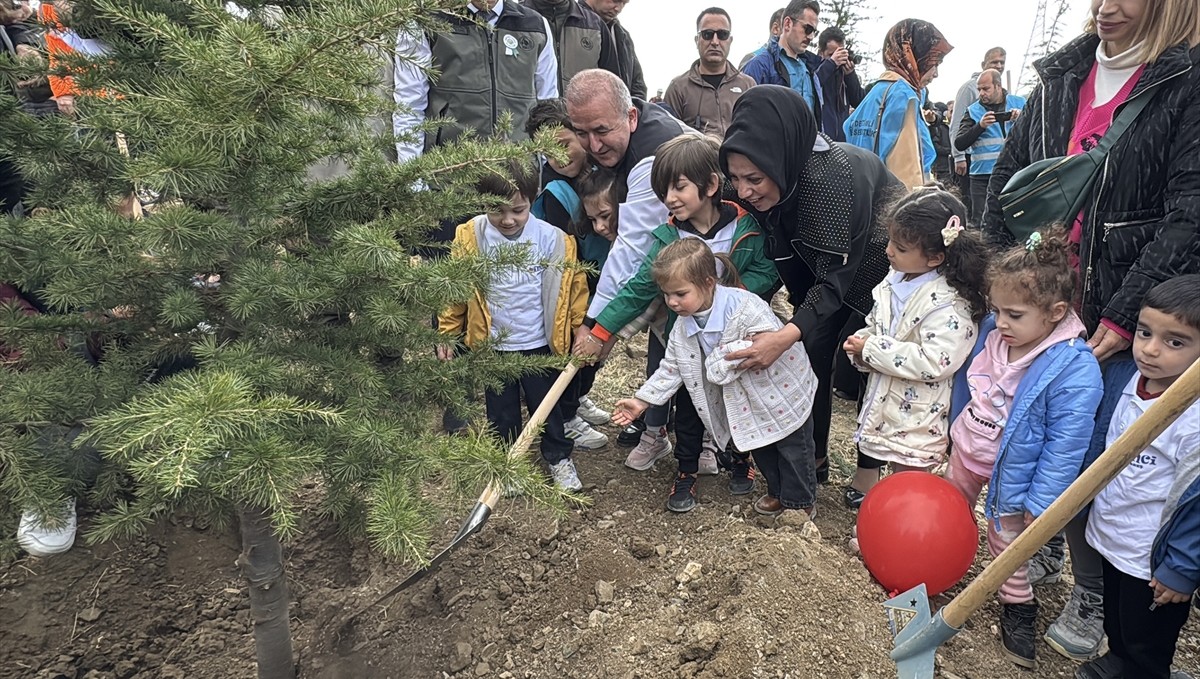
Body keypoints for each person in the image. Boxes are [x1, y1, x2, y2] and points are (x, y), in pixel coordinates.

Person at [982, 1, 1200, 661]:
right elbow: (1007, 184)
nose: (1106, 7)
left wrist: (1123, 313)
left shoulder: (1183, 83)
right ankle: (1042, 541)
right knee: (1027, 427)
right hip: (1045, 303)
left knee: (1097, 456)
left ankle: (1095, 584)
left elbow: (1189, 211)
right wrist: (999, 280)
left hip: (1120, 314)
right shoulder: (1060, 76)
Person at [720, 85, 902, 488]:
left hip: (874, 250)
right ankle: (813, 459)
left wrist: (785, 334)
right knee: (811, 346)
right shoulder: (752, 175)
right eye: (735, 177)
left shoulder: (831, 186)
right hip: (804, 240)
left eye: (754, 178)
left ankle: (866, 471)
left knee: (860, 351)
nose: (743, 190)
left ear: (783, 160)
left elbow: (833, 283)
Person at [945, 227, 1103, 669]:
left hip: (1013, 476)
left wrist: (1042, 502)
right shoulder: (996, 337)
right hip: (967, 452)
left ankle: (1018, 607)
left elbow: (1066, 443)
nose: (1001, 322)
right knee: (948, 513)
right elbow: (968, 388)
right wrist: (951, 431)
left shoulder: (1073, 367)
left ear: (1055, 312)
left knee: (1007, 546)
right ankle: (934, 565)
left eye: (1014, 314)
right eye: (997, 310)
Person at [583, 134, 778, 472]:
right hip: (684, 335)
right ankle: (669, 447)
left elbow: (767, 269)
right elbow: (639, 288)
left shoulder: (745, 228)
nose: (669, 199)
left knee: (727, 391)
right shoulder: (668, 238)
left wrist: (731, 292)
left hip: (730, 338)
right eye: (663, 191)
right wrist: (600, 331)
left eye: (679, 187)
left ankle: (722, 449)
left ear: (712, 184)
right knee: (678, 386)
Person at [613, 239, 817, 515]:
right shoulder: (684, 326)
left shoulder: (745, 307)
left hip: (781, 389)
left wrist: (721, 358)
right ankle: (778, 492)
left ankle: (800, 503)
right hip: (750, 398)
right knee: (762, 445)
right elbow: (672, 366)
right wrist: (642, 401)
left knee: (793, 447)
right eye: (666, 294)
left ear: (708, 283)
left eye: (680, 294)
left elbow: (766, 340)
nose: (672, 302)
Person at [435, 163, 589, 491]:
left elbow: (573, 290)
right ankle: (509, 465)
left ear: (531, 201)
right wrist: (446, 330)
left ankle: (558, 458)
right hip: (495, 344)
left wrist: (578, 329)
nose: (508, 220)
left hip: (538, 342)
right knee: (501, 413)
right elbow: (456, 287)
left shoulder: (553, 240)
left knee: (548, 409)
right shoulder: (471, 236)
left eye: (518, 210)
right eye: (497, 210)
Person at [1078, 275, 1200, 679]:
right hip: (1113, 533)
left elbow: (1196, 503)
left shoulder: (1194, 418)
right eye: (1145, 332)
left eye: (1175, 342)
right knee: (1116, 617)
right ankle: (1117, 659)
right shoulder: (1125, 378)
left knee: (1148, 638)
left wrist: (1181, 566)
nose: (1150, 349)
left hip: (1153, 558)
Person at [565, 68, 688, 454]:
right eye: (581, 132)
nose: (593, 145)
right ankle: (659, 427)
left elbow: (632, 252)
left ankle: (690, 441)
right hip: (674, 248)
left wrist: (595, 326)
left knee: (683, 345)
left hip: (714, 251)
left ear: (631, 116)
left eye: (602, 130)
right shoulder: (622, 141)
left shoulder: (651, 157)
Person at [841, 188, 988, 507]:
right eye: (891, 240)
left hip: (920, 415)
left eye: (901, 247)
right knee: (892, 482)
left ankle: (897, 539)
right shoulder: (897, 280)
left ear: (936, 257)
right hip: (887, 401)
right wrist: (863, 344)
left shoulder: (950, 304)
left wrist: (872, 350)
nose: (889, 251)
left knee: (908, 484)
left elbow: (934, 360)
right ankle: (876, 528)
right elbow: (879, 325)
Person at [524, 100, 611, 450]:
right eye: (548, 153)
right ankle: (567, 412)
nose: (559, 157)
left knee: (598, 348)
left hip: (603, 275)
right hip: (574, 284)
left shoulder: (600, 172)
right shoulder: (555, 192)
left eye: (564, 145)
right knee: (576, 344)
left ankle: (578, 396)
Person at [392, 2, 559, 165]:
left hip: (519, 175)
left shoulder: (535, 26)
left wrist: (544, 169)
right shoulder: (427, 21)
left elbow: (548, 106)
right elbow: (409, 106)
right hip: (449, 174)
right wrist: (413, 178)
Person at [843, 18, 952, 189]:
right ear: (916, 57)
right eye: (933, 64)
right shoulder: (904, 96)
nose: (935, 73)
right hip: (895, 204)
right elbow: (907, 169)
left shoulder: (876, 93)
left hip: (864, 193)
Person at [662, 7, 756, 138]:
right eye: (707, 34)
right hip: (696, 159)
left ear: (730, 40)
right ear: (697, 40)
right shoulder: (678, 88)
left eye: (722, 34)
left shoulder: (748, 86)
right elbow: (668, 138)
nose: (715, 42)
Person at [953, 69, 1024, 225]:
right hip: (982, 177)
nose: (981, 94)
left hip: (1014, 172)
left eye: (986, 89)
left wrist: (1023, 118)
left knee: (1016, 219)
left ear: (998, 86)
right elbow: (960, 143)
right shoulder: (973, 111)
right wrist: (980, 126)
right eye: (979, 89)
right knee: (982, 223)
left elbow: (1038, 129)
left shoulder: (1020, 103)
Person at [741, 1, 825, 133]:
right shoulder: (759, 65)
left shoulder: (811, 69)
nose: (811, 37)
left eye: (814, 31)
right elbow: (744, 120)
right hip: (771, 150)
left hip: (808, 150)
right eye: (807, 29)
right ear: (787, 24)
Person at [950, 46, 1006, 218]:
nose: (998, 66)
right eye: (994, 62)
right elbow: (957, 123)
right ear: (983, 64)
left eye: (1001, 62)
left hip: (1001, 166)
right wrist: (959, 156)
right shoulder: (969, 89)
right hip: (972, 161)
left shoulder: (1011, 99)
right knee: (975, 210)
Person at [525, 0, 620, 94]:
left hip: (580, 108)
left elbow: (612, 85)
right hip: (527, 108)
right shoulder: (517, 20)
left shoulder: (595, 25)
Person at [583, 0, 646, 99]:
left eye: (624, 3)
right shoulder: (568, 24)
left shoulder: (623, 36)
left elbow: (637, 84)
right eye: (615, 1)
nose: (618, 8)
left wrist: (634, 109)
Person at [814, 26, 864, 142]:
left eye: (840, 53)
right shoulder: (814, 71)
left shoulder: (843, 74)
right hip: (820, 142)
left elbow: (860, 102)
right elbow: (813, 86)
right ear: (821, 52)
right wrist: (831, 64)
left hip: (843, 145)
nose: (837, 58)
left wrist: (850, 76)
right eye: (831, 54)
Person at [925, 102, 953, 182]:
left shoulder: (947, 127)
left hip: (948, 166)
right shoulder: (937, 128)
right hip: (941, 167)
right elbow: (935, 146)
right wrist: (950, 151)